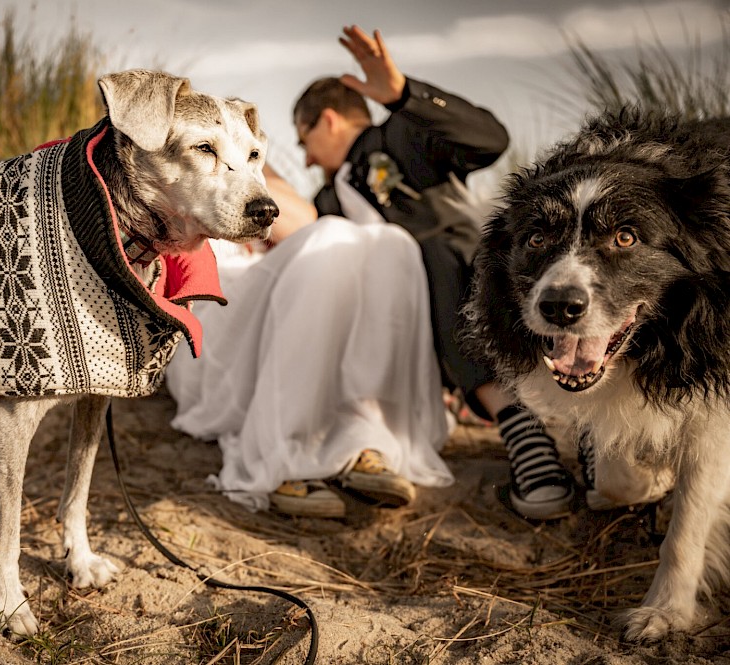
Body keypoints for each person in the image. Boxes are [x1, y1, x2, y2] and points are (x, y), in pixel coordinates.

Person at [291, 25, 575, 520]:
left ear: (330, 120)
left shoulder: (398, 134)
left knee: (427, 254)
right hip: (389, 317)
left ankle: (523, 428)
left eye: (305, 139)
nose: (307, 157)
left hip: (461, 277)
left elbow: (491, 140)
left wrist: (404, 97)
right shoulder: (325, 200)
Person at [165, 164, 455, 518]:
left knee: (393, 243)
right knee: (330, 234)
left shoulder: (248, 173)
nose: (305, 158)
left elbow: (302, 219)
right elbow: (308, 227)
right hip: (217, 306)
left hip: (266, 297)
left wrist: (251, 165)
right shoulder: (177, 179)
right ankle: (284, 452)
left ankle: (365, 431)